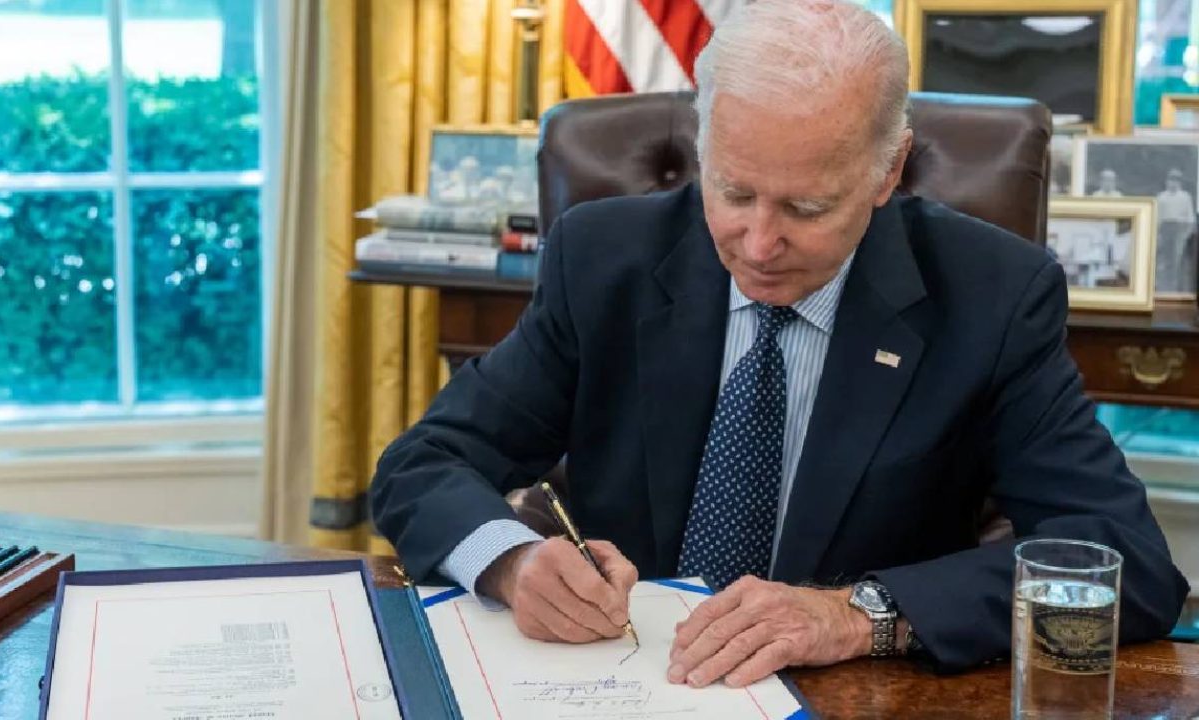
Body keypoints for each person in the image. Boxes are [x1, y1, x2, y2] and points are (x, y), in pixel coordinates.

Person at [371, 0, 1187, 687]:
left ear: (888, 169)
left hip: (848, 696)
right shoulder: (605, 259)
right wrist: (511, 561)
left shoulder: (992, 296)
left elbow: (1128, 566)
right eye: (734, 191)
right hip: (619, 682)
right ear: (704, 148)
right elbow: (424, 463)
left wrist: (856, 615)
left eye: (806, 208)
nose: (758, 243)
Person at [1155, 168, 1197, 294]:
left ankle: (1178, 287)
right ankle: (1165, 287)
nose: (1173, 183)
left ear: (1180, 183)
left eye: (1176, 181)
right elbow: (1158, 217)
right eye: (1171, 180)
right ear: (1167, 181)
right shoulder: (1161, 197)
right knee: (1165, 260)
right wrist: (1158, 233)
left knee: (1178, 260)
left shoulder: (1185, 197)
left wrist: (1186, 233)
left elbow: (1190, 217)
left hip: (1180, 229)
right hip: (1165, 228)